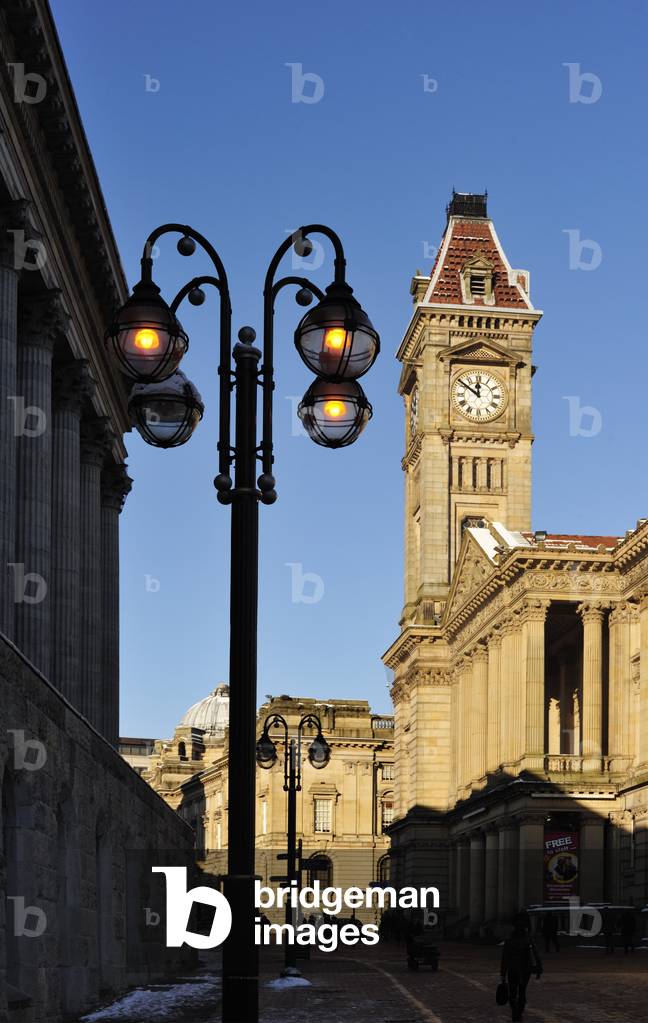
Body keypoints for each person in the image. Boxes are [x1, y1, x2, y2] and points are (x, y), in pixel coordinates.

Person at [500, 913, 543, 1022]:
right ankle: (519, 1013)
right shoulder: (528, 940)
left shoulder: (509, 941)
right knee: (522, 991)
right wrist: (539, 968)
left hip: (512, 969)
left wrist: (503, 973)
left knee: (512, 992)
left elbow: (505, 958)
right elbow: (536, 954)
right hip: (525, 969)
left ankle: (515, 1012)